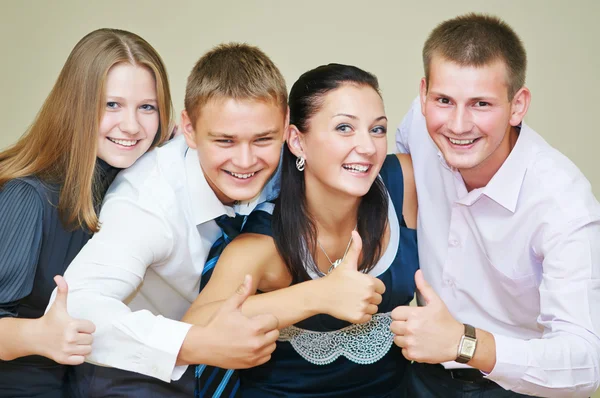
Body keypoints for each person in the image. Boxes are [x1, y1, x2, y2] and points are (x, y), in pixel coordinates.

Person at [48, 43, 287, 397]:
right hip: (133, 374)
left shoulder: (291, 166)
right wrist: (197, 344)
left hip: (251, 370)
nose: (245, 160)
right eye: (224, 141)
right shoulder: (148, 198)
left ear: (285, 127)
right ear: (188, 129)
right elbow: (76, 310)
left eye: (263, 139)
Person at [391, 13, 600, 397]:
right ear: (423, 95)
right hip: (418, 374)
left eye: (481, 104)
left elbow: (587, 361)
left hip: (514, 388)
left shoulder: (563, 204)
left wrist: (463, 342)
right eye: (443, 100)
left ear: (517, 105)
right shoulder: (419, 127)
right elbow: (403, 175)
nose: (457, 124)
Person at [183, 63, 419, 397]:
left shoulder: (404, 182)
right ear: (297, 140)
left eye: (377, 130)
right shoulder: (264, 242)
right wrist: (317, 296)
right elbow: (192, 328)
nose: (367, 147)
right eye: (344, 128)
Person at [0, 28, 173, 398]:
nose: (131, 125)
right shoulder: (28, 196)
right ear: (78, 105)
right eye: (112, 105)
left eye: (147, 107)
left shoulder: (136, 188)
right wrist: (38, 335)